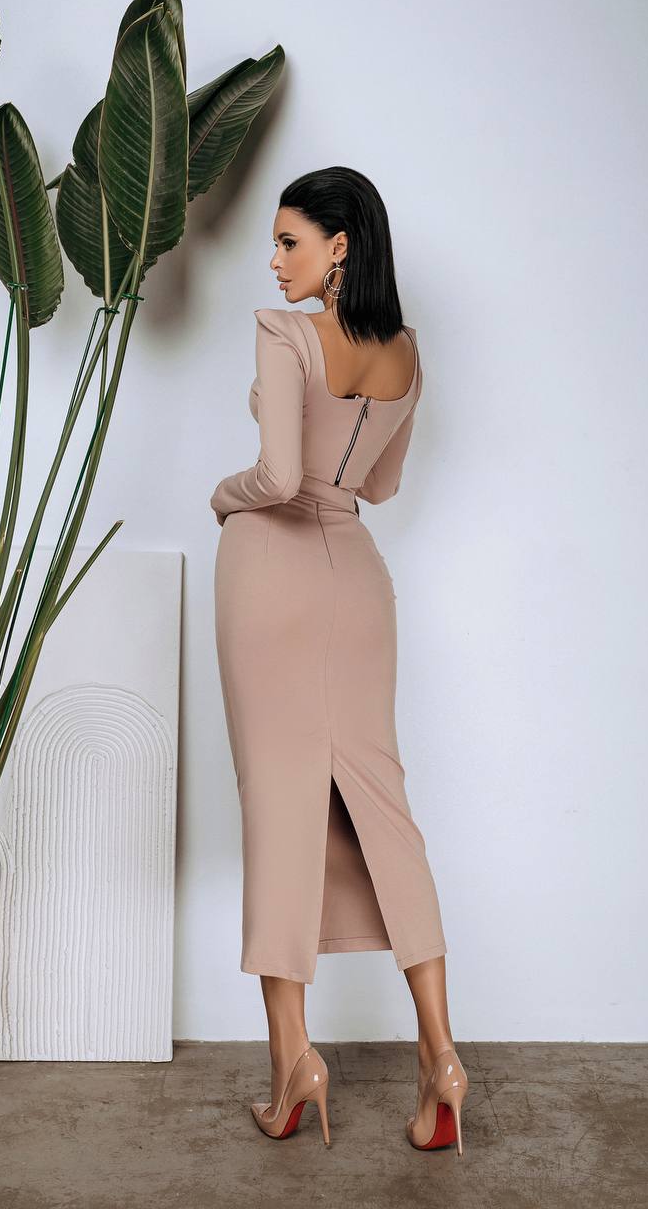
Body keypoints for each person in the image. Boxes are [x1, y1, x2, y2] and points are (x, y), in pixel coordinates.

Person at [210, 167, 468, 1156]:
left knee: (280, 801)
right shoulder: (406, 353)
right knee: (382, 803)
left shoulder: (285, 335)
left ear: (339, 246)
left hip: (273, 571)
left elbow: (279, 476)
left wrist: (225, 496)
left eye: (288, 241)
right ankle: (441, 1053)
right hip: (358, 577)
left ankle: (293, 1064)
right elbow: (384, 483)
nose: (274, 260)